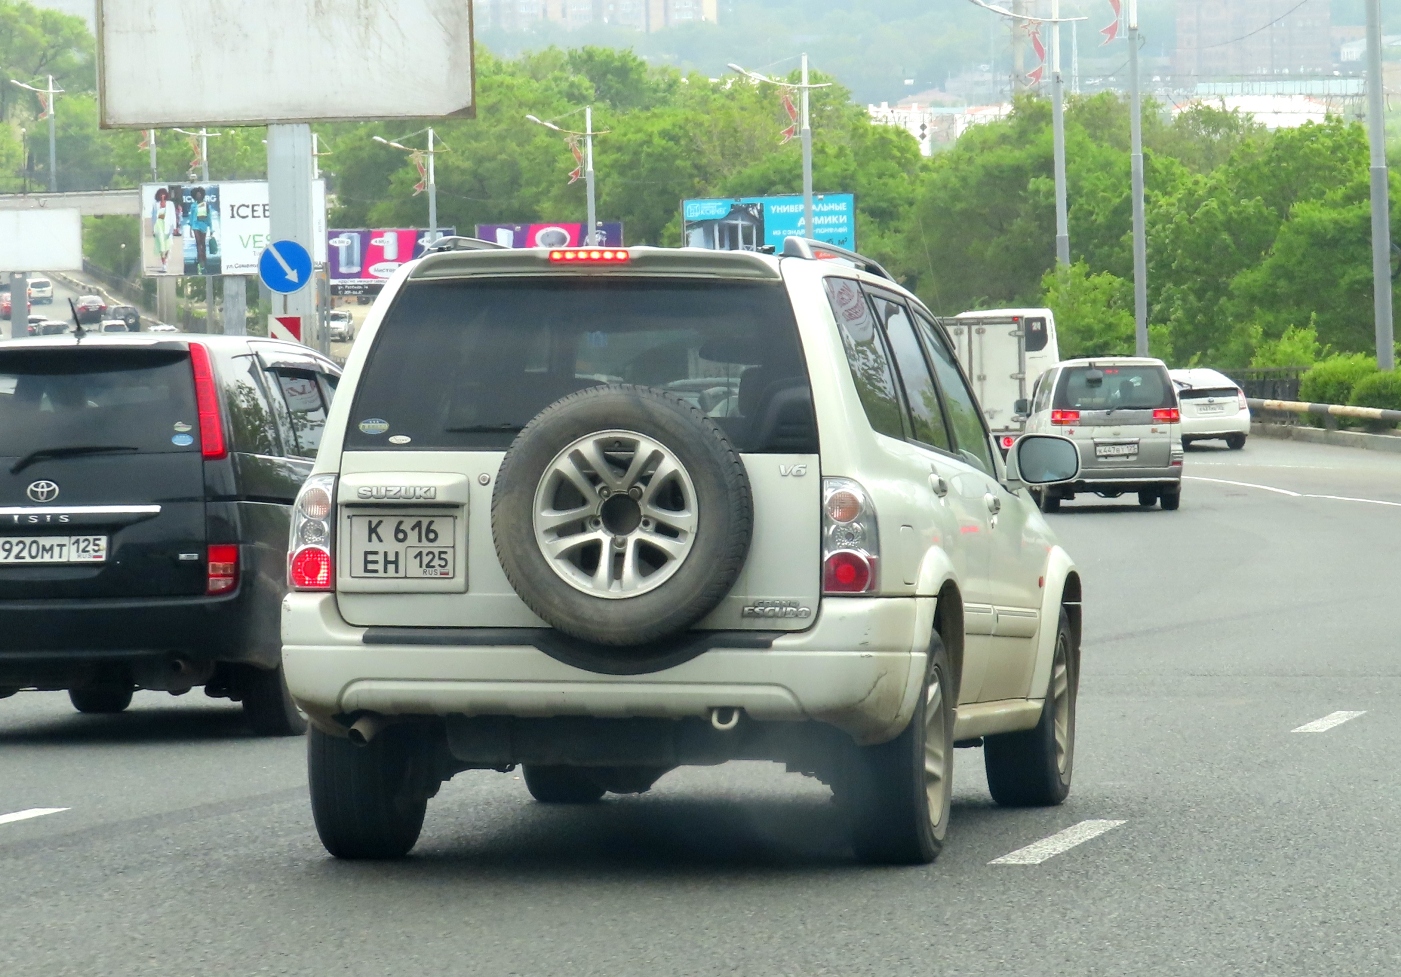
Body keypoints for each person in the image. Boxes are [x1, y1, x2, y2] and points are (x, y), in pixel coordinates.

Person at [183, 186, 214, 275]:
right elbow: (191, 217)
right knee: (198, 243)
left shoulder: (206, 205)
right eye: (197, 195)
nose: (198, 196)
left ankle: (203, 259)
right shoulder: (193, 205)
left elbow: (209, 217)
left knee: (203, 243)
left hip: (203, 225)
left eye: (199, 194)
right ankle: (200, 261)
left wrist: (211, 228)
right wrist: (190, 228)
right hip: (195, 225)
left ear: (202, 195)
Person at [150, 187, 180, 273]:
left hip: (167, 227)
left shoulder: (170, 204)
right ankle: (163, 264)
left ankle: (166, 259)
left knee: (167, 246)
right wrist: (153, 229)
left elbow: (173, 216)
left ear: (166, 195)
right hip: (158, 226)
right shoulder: (155, 205)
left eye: (163, 194)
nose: (162, 196)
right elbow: (153, 217)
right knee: (161, 246)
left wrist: (175, 227)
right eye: (160, 194)